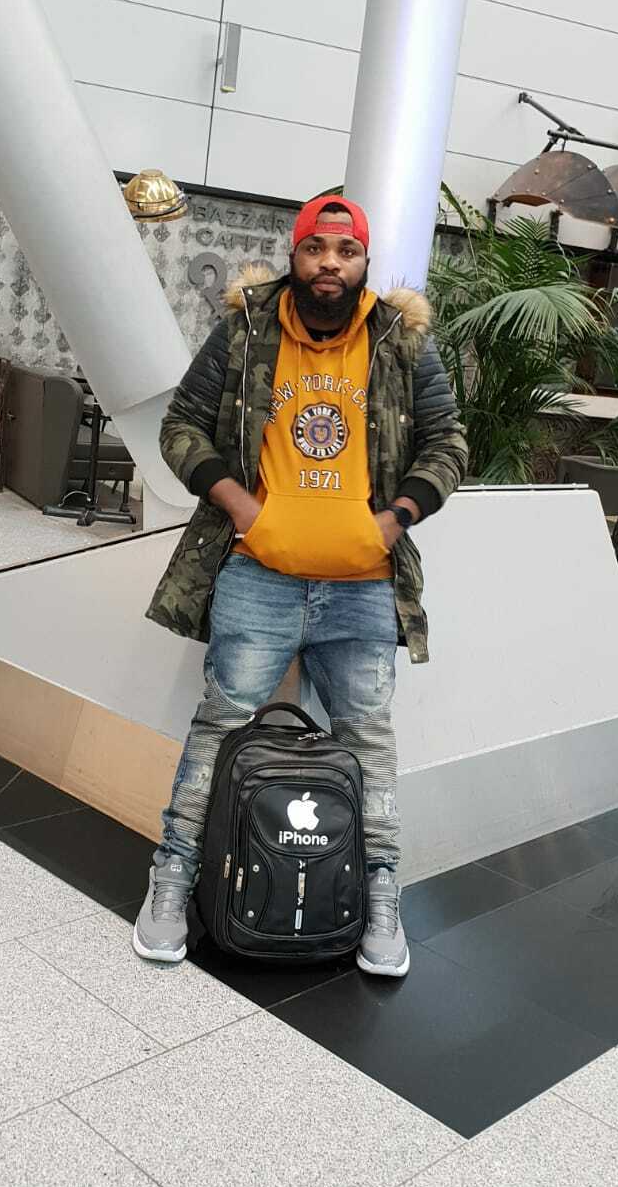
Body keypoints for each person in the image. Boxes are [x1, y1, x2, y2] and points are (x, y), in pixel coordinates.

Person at [135, 195, 468, 975]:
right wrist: (240, 506)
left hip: (363, 586)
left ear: (363, 262)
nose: (329, 263)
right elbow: (180, 425)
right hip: (259, 575)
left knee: (367, 741)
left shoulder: (400, 340)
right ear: (294, 253)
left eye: (345, 252)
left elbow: (447, 441)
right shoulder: (247, 330)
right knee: (220, 726)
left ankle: (379, 893)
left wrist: (392, 521)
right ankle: (171, 877)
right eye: (315, 248)